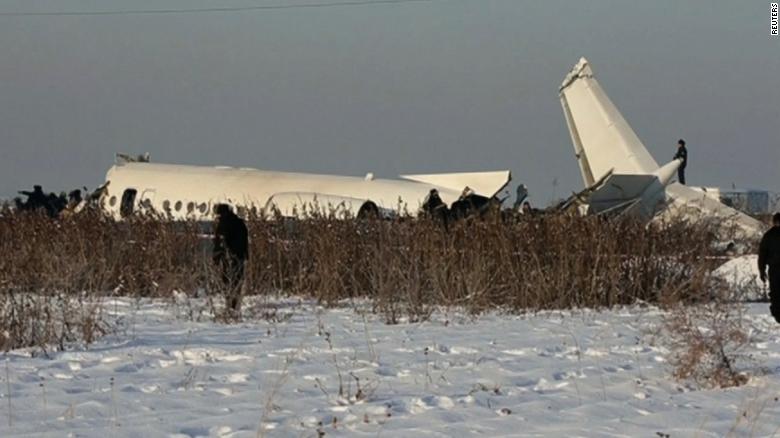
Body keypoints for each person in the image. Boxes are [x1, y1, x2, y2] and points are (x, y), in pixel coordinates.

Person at [213, 204, 249, 317]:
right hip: (240, 257)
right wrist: (245, 256)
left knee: (227, 281)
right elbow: (245, 241)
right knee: (237, 281)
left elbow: (219, 243)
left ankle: (229, 304)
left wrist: (216, 257)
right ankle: (234, 305)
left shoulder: (223, 224)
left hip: (227, 258)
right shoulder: (240, 223)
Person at [759, 213, 780, 323]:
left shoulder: (768, 235)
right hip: (775, 269)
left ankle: (777, 314)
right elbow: (762, 254)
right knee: (775, 292)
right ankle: (777, 314)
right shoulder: (769, 235)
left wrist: (762, 270)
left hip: (774, 269)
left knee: (775, 292)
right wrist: (761, 270)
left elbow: (762, 254)